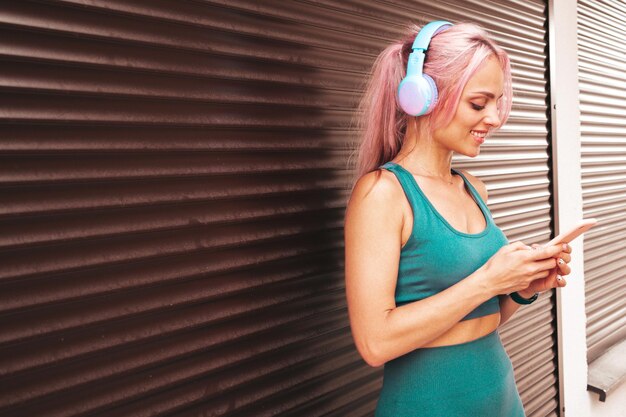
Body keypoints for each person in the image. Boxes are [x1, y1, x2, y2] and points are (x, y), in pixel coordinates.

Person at [343, 21, 572, 417]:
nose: (495, 119)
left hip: (500, 397)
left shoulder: (473, 189)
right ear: (422, 97)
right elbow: (374, 342)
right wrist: (489, 279)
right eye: (478, 104)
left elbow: (482, 318)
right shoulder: (383, 194)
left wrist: (522, 287)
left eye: (497, 104)